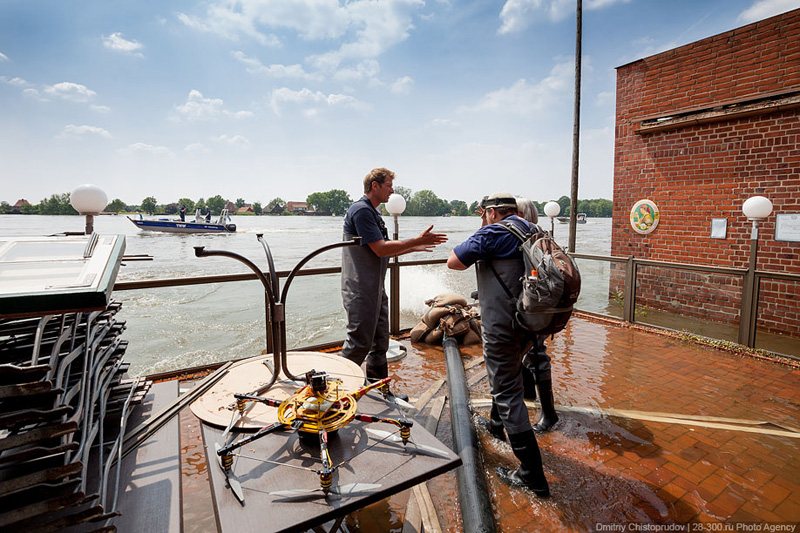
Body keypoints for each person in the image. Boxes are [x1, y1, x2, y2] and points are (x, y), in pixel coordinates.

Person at [447, 193, 549, 497]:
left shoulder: (493, 232)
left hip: (502, 326)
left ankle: (533, 475)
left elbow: (454, 262)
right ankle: (494, 424)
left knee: (507, 393)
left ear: (491, 212)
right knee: (510, 374)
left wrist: (483, 226)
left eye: (485, 212)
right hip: (529, 325)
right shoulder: (532, 229)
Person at [341, 167, 447, 395]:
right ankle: (334, 393)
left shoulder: (374, 213)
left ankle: (380, 392)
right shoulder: (361, 211)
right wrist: (415, 240)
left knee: (380, 343)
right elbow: (380, 249)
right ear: (375, 186)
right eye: (389, 185)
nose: (392, 190)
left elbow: (384, 249)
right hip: (361, 289)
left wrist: (415, 245)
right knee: (359, 344)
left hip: (375, 289)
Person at [515, 197, 559, 432]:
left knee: (537, 355)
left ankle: (549, 414)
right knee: (530, 353)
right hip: (540, 305)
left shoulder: (529, 238)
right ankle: (529, 393)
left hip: (535, 306)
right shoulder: (541, 235)